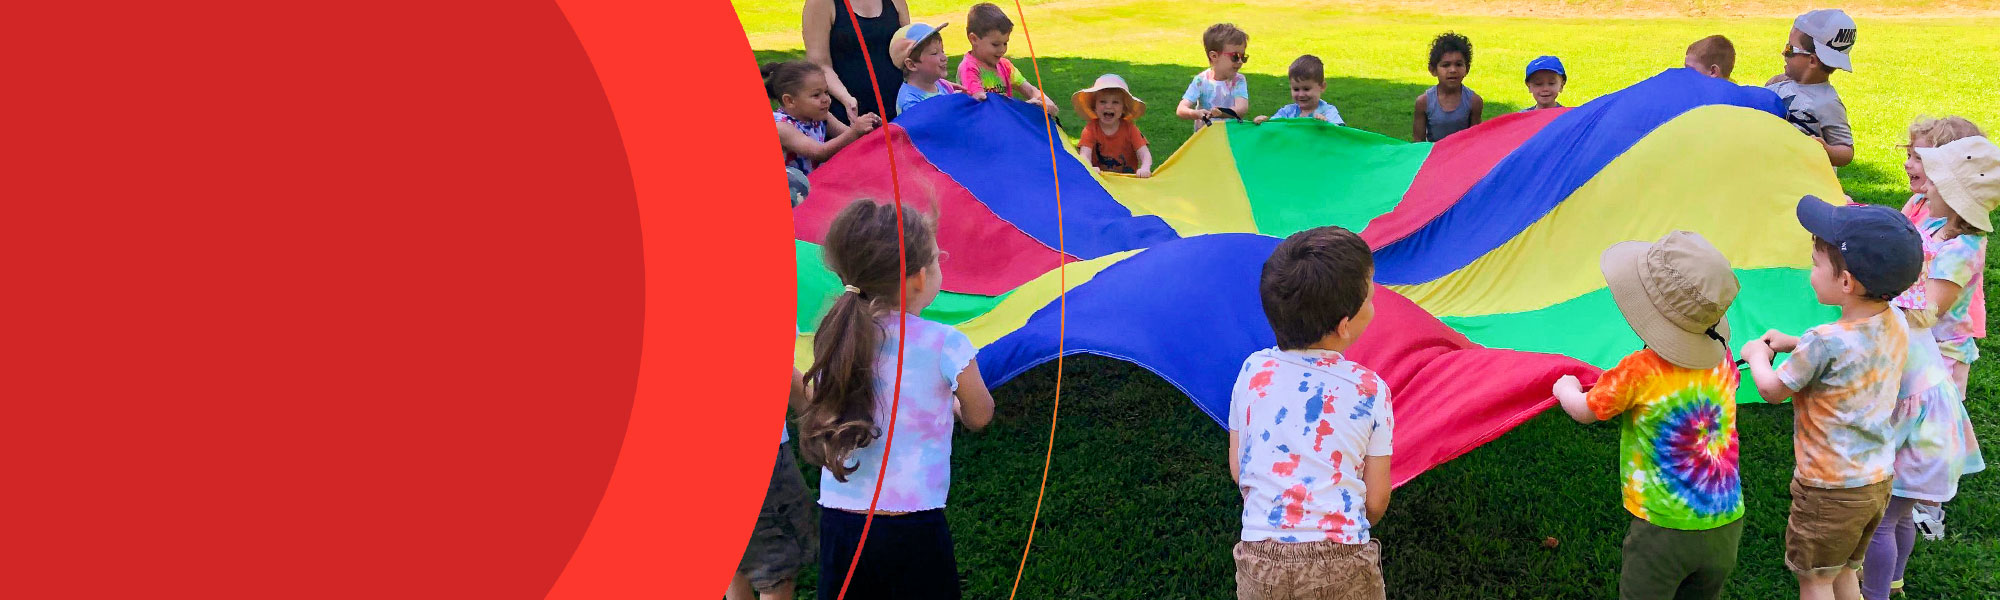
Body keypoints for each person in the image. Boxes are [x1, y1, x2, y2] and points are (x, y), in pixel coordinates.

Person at [799, 200, 996, 599]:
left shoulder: (839, 336)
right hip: (913, 528)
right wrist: (956, 406)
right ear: (920, 278)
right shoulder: (946, 343)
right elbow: (981, 414)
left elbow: (821, 398)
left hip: (842, 524)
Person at [1741, 197, 1925, 600]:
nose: (1810, 272)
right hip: (1875, 481)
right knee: (1843, 570)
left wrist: (1758, 355)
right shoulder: (1893, 320)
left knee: (1815, 579)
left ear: (1846, 283)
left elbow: (1772, 390)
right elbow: (1850, 358)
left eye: (1814, 263)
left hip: (1828, 490)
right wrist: (1793, 344)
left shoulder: (1823, 342)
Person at [1552, 231, 1745, 600]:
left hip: (1663, 531)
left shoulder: (1640, 370)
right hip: (1726, 523)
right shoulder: (1721, 357)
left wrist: (1565, 389)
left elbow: (1584, 410)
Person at [1229, 226, 1393, 600]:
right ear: (1344, 326)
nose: (1374, 303)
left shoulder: (1252, 371)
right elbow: (1376, 500)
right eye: (1370, 296)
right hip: (1343, 560)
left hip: (1260, 559)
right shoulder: (1371, 390)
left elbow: (1240, 469)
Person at [1765, 9, 1859, 167]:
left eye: (1789, 49)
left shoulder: (1827, 102)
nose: (1783, 53)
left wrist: (1826, 150)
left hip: (1806, 184)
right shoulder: (1778, 83)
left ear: (1812, 61)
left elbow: (1846, 151)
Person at [765, 61, 880, 176]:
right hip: (794, 191)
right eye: (816, 95)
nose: (826, 99)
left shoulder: (820, 115)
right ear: (789, 101)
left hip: (815, 182)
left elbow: (849, 137)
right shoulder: (782, 126)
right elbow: (820, 152)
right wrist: (855, 131)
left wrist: (868, 128)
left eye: (826, 92)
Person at [803, 0, 910, 123]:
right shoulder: (821, 3)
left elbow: (907, 52)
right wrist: (847, 99)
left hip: (899, 108)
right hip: (849, 113)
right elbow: (820, 65)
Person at [1072, 74, 1153, 176]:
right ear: (1094, 106)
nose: (1109, 106)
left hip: (1127, 181)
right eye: (1103, 102)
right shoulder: (1091, 129)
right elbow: (1084, 154)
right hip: (1099, 180)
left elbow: (1145, 154)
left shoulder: (1130, 129)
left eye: (1115, 102)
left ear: (1124, 108)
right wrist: (1089, 167)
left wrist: (1145, 168)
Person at [1176, 23, 1252, 132]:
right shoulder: (1201, 81)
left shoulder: (1238, 80)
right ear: (1214, 56)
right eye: (1235, 57)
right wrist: (1195, 113)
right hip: (1205, 138)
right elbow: (1181, 110)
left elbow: (1241, 108)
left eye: (1243, 57)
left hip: (1230, 136)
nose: (1240, 62)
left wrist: (1222, 112)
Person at [1413, 32, 1482, 142]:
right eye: (1446, 65)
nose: (1453, 70)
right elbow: (1417, 142)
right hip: (1435, 156)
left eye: (1458, 64)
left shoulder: (1474, 101)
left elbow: (1475, 140)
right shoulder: (1424, 102)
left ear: (1467, 69)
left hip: (1462, 156)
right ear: (1433, 70)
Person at [1254, 55, 1345, 125]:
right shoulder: (1287, 112)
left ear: (1322, 86)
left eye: (1306, 89)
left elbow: (1340, 135)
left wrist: (1326, 126)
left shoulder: (1328, 111)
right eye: (1296, 89)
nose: (1301, 94)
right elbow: (1274, 127)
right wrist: (1262, 122)